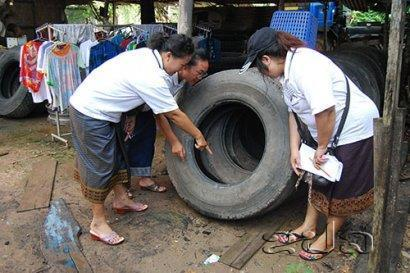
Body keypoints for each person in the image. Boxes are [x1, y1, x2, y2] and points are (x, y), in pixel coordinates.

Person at [240, 27, 379, 261]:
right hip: (325, 132)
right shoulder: (287, 72)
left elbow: (325, 110)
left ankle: (329, 238)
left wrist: (322, 148)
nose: (262, 73)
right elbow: (293, 113)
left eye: (260, 67)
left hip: (352, 129)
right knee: (316, 177)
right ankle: (308, 227)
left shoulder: (306, 67)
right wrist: (295, 149)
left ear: (266, 59)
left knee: (342, 186)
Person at [69, 33, 211, 246]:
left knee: (117, 155)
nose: (181, 69)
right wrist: (199, 135)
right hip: (89, 112)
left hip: (107, 112)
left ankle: (121, 200)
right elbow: (172, 114)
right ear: (169, 56)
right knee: (100, 166)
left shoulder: (148, 56)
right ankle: (97, 223)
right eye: (182, 64)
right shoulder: (152, 75)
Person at [124, 47, 209, 193]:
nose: (200, 77)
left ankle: (144, 178)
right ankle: (122, 186)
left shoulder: (183, 81)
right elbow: (164, 114)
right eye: (199, 72)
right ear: (185, 66)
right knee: (125, 144)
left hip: (145, 108)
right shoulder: (165, 77)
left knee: (147, 140)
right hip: (129, 107)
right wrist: (175, 142)